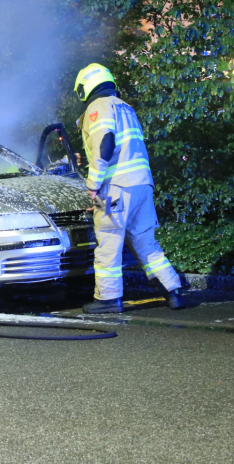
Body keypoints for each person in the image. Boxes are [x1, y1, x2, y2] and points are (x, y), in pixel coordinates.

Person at [74, 63, 186, 314]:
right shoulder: (126, 108)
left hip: (115, 188)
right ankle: (173, 291)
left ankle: (108, 299)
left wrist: (93, 185)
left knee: (109, 243)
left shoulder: (98, 107)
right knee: (146, 242)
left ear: (86, 86)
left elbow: (105, 141)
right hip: (142, 185)